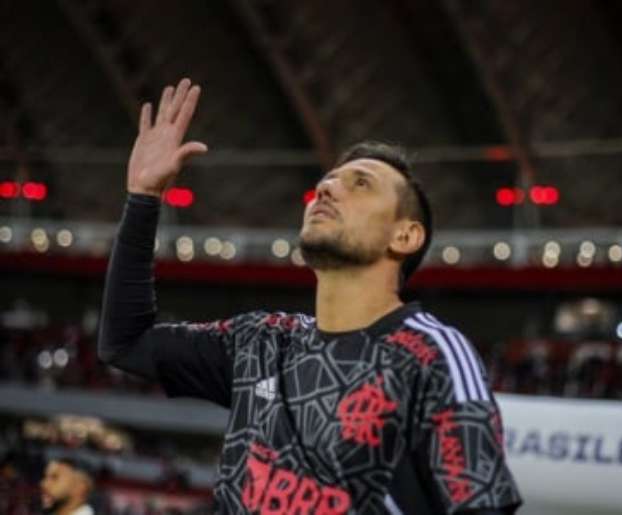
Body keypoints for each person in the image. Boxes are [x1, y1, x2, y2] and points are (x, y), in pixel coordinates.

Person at [98, 78, 522, 514]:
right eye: (327, 181)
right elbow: (124, 343)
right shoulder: (261, 341)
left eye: (360, 184)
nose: (327, 189)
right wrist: (143, 199)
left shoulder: (428, 356)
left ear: (406, 235)